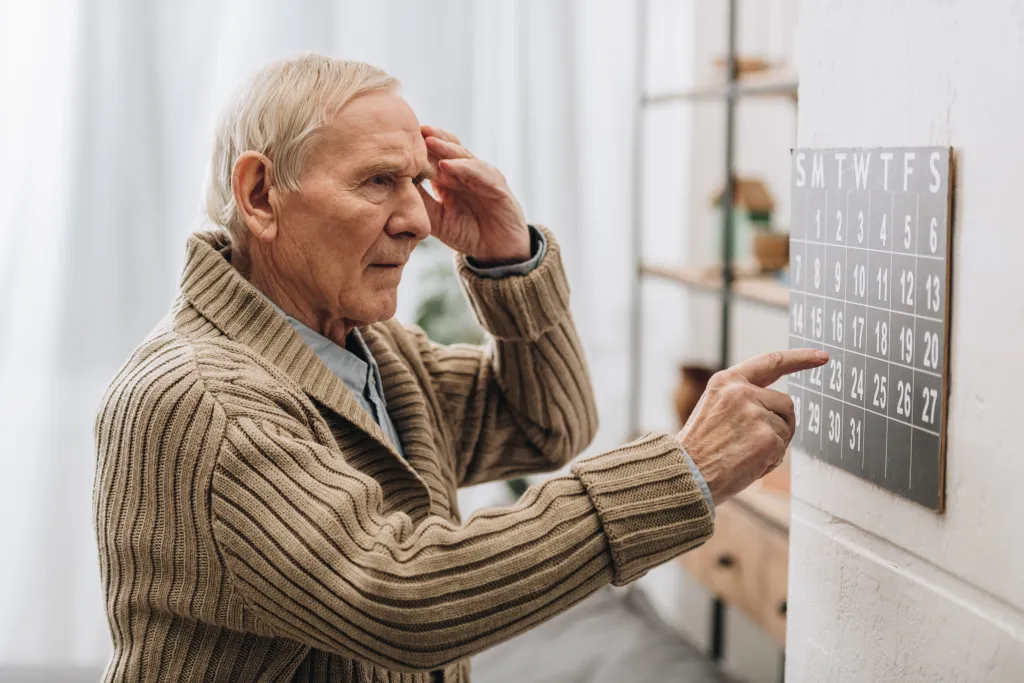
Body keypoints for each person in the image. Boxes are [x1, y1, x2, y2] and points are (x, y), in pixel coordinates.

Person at [92, 53, 826, 683]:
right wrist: (686, 471)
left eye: (417, 179)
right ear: (260, 195)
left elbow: (548, 424)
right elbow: (401, 594)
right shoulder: (197, 398)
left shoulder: (373, 354)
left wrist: (510, 260)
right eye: (378, 181)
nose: (417, 218)